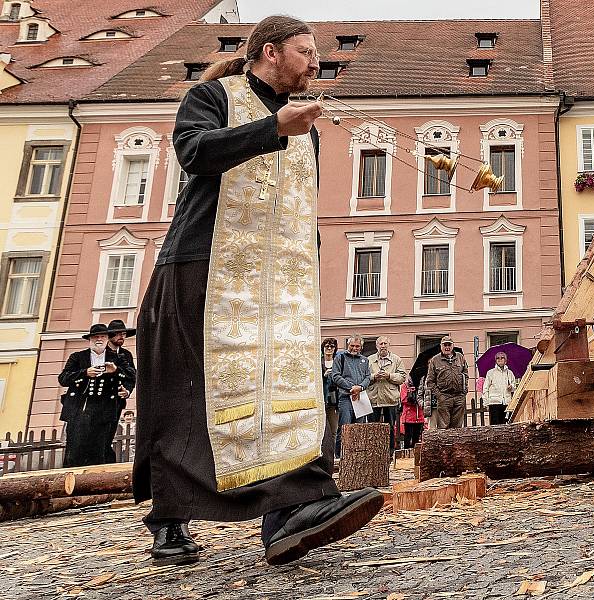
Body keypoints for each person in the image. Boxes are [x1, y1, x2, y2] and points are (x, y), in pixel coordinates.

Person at [133, 16, 383, 568]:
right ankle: (170, 519)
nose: (317, 62)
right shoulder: (211, 95)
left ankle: (292, 513)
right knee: (191, 393)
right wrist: (273, 130)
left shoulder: (307, 126)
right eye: (306, 51)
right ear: (270, 52)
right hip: (203, 264)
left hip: (280, 280)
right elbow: (194, 153)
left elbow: (297, 203)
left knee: (289, 389)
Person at [58, 324, 135, 467]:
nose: (99, 339)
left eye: (103, 336)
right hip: (80, 410)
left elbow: (131, 375)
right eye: (95, 337)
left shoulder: (117, 358)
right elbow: (63, 378)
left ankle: (97, 482)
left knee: (100, 449)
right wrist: (85, 372)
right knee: (75, 450)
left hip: (105, 410)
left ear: (107, 339)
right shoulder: (78, 357)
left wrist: (116, 370)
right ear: (90, 339)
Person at [331, 335, 372, 458]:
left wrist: (360, 387)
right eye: (352, 345)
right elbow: (336, 376)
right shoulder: (340, 358)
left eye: (357, 346)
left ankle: (356, 456)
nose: (355, 348)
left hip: (360, 397)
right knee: (345, 427)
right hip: (345, 398)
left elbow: (368, 377)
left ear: (361, 347)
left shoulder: (365, 360)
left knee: (358, 428)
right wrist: (351, 387)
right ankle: (339, 456)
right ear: (348, 345)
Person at [366, 336, 406, 455]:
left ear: (389, 345)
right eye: (381, 344)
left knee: (390, 427)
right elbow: (364, 377)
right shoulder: (369, 360)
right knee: (373, 428)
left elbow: (402, 377)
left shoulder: (396, 360)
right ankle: (374, 451)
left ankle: (390, 452)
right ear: (377, 346)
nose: (383, 346)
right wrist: (374, 376)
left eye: (385, 343)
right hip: (374, 398)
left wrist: (389, 376)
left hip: (390, 398)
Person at [105, 320, 137, 462]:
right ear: (110, 335)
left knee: (110, 432)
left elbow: (132, 376)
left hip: (117, 401)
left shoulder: (126, 355)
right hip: (100, 399)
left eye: (123, 334)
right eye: (118, 334)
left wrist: (127, 391)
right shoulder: (101, 352)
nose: (121, 337)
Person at [426, 336, 469, 429]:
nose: (447, 347)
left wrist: (464, 391)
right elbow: (430, 381)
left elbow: (465, 374)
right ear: (441, 346)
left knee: (457, 427)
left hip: (459, 397)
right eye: (445, 345)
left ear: (453, 346)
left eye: (449, 345)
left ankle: (456, 444)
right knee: (443, 427)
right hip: (444, 396)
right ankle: (444, 444)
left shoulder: (460, 357)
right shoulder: (435, 360)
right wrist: (439, 396)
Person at [483, 352, 515, 425]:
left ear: (506, 360)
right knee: (495, 426)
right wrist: (486, 403)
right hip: (494, 403)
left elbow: (514, 387)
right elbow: (485, 388)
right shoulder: (490, 373)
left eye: (502, 357)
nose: (500, 359)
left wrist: (511, 387)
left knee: (506, 425)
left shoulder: (510, 373)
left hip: (507, 403)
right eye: (498, 358)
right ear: (495, 360)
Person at [321, 338, 339, 444]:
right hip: (322, 398)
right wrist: (323, 376)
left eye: (331, 346)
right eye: (326, 346)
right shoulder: (318, 362)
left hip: (334, 400)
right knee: (322, 429)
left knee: (334, 429)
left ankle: (332, 454)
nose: (329, 348)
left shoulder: (337, 362)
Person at [400, 376, 424, 448]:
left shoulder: (422, 385)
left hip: (419, 415)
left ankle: (415, 453)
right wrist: (411, 398)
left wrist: (419, 400)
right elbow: (403, 399)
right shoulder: (405, 386)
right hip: (408, 416)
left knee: (416, 436)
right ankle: (406, 452)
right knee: (408, 436)